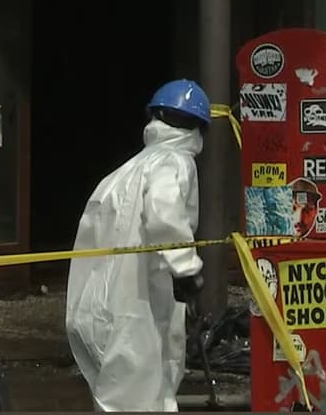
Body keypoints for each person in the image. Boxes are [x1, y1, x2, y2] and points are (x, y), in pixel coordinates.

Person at [65, 79, 210, 410]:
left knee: (123, 394)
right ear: (198, 128)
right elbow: (164, 209)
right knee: (141, 394)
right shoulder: (174, 161)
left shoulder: (123, 173)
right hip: (139, 304)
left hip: (97, 303)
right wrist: (185, 268)